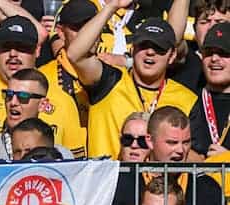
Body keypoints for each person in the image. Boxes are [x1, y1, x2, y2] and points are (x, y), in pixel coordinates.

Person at [68, 0, 197, 159]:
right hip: (108, 182)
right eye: (143, 45)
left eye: (159, 48)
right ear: (132, 49)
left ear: (172, 56)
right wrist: (111, 6)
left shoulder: (188, 99)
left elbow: (199, 158)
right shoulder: (109, 80)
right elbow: (75, 55)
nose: (150, 52)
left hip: (160, 184)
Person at [111, 106, 230, 205]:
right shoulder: (122, 184)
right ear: (150, 141)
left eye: (186, 142)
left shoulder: (205, 187)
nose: (181, 150)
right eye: (172, 142)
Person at [0, 16, 84, 156]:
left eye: (22, 48)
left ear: (37, 50)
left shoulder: (63, 100)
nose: (13, 54)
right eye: (5, 47)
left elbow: (75, 166)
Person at [0, 69, 75, 158]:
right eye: (9, 95)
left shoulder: (63, 157)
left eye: (23, 96)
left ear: (42, 105)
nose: (13, 102)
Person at [38, 0, 96, 128]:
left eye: (90, 27)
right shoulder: (43, 77)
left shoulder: (115, 74)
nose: (85, 34)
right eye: (77, 28)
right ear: (61, 32)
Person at [189, 21, 230, 158]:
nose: (214, 58)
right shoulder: (188, 100)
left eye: (223, 53)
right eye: (209, 52)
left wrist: (226, 159)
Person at [170, 0, 230, 90]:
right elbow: (172, 40)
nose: (211, 27)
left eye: (219, 22)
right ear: (194, 28)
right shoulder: (187, 57)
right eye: (204, 22)